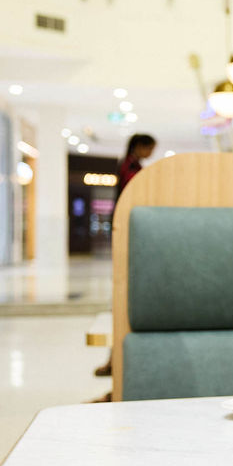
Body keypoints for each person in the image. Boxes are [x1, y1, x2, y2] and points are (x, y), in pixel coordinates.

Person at [94, 132, 157, 380]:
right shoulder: (131, 168)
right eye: (150, 148)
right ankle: (114, 361)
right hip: (128, 233)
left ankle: (114, 361)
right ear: (140, 147)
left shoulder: (127, 165)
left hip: (127, 232)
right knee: (123, 299)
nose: (151, 153)